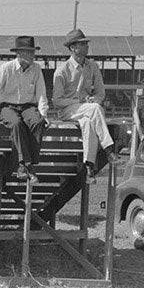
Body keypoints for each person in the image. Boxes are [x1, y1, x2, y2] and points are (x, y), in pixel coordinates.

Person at [0, 36, 49, 184]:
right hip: (7, 105)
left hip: (28, 106)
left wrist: (44, 114)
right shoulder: (6, 68)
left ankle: (27, 164)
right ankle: (25, 165)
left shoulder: (37, 69)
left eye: (33, 52)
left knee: (38, 121)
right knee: (16, 123)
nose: (32, 56)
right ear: (19, 53)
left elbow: (41, 94)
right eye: (29, 52)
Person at [52, 27, 116, 176]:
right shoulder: (62, 70)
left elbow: (101, 92)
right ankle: (109, 149)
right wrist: (78, 100)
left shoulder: (93, 66)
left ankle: (89, 165)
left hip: (87, 109)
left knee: (88, 122)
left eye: (85, 43)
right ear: (73, 48)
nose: (87, 46)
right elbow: (57, 101)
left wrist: (95, 99)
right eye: (82, 44)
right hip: (68, 110)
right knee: (94, 109)